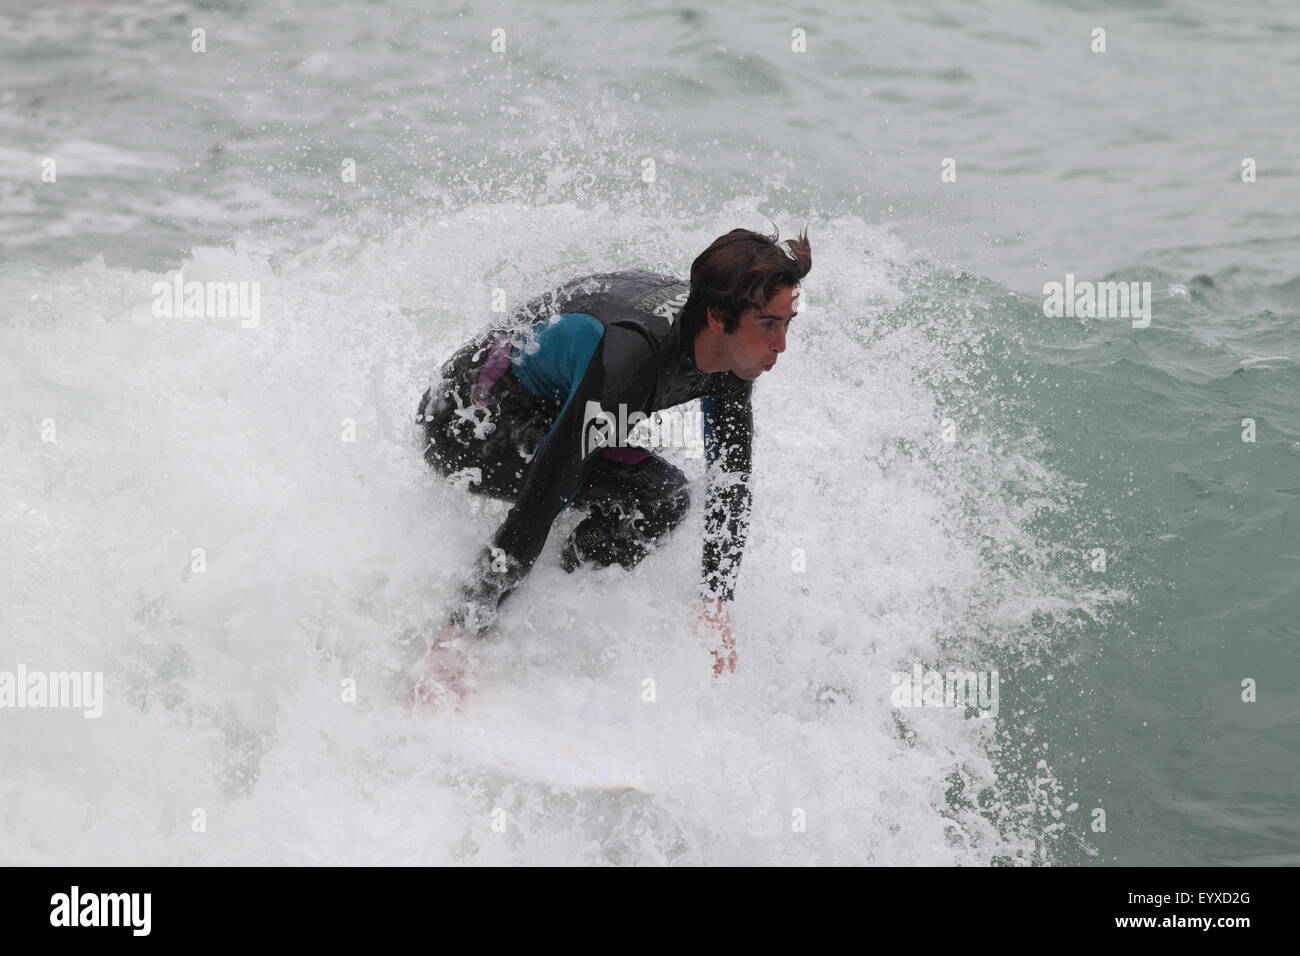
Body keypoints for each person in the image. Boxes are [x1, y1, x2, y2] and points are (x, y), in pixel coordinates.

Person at [411, 226, 811, 707]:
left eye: (788, 323)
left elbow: (732, 478)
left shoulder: (731, 356)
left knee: (661, 498)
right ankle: (454, 642)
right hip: (468, 418)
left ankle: (556, 605)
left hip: (552, 400)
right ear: (717, 317)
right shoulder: (631, 360)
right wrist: (457, 638)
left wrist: (715, 602)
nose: (782, 345)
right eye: (769, 325)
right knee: (623, 491)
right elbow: (542, 501)